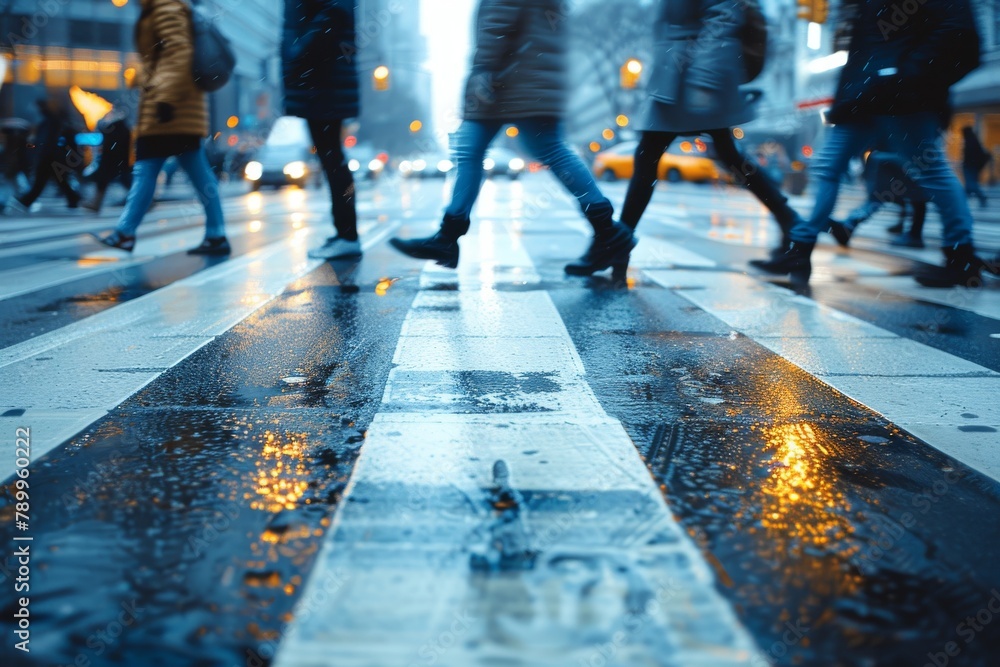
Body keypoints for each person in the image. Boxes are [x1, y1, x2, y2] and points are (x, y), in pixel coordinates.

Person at [751, 0, 993, 288]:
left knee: (930, 171)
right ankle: (800, 251)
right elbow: (864, 45)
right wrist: (847, 94)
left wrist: (907, 72)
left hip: (903, 95)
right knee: (827, 166)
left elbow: (955, 27)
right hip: (862, 95)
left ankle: (960, 256)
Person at [389, 0, 634, 273]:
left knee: (479, 149)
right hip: (527, 75)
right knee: (539, 148)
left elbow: (498, 24)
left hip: (508, 79)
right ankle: (607, 231)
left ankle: (447, 237)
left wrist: (484, 69)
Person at [568, 0, 802, 278]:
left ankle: (616, 245)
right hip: (681, 72)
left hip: (692, 73)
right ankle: (793, 226)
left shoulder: (698, 67)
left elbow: (723, 14)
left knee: (650, 157)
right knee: (723, 155)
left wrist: (704, 79)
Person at [94, 0, 229, 256]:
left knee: (147, 170)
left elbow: (178, 53)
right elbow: (162, 57)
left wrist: (165, 98)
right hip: (176, 109)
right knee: (194, 173)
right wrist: (141, 76)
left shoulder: (166, 6)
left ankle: (126, 232)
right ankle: (216, 234)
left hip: (169, 110)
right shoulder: (161, 7)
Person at [283, 0, 361, 260]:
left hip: (321, 83)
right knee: (333, 160)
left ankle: (348, 235)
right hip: (321, 81)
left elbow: (332, 16)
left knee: (333, 161)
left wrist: (298, 51)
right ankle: (345, 233)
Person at [831, 152, 927, 249]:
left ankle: (849, 226)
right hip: (907, 157)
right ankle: (912, 232)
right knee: (911, 191)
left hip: (888, 157)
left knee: (878, 196)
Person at [8, 98, 82, 213]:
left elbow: (45, 141)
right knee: (57, 180)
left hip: (49, 156)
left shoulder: (51, 122)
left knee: (44, 181)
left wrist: (36, 150)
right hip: (52, 156)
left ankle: (27, 201)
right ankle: (72, 198)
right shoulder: (54, 121)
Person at [84, 106, 133, 213]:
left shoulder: (116, 128)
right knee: (108, 181)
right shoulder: (120, 127)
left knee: (121, 180)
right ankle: (96, 204)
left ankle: (96, 204)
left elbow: (112, 146)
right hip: (117, 161)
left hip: (113, 161)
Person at [962, 126, 990, 209]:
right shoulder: (973, 140)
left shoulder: (970, 142)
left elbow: (969, 156)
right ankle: (962, 201)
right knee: (970, 185)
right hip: (972, 166)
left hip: (970, 166)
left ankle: (981, 197)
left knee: (971, 184)